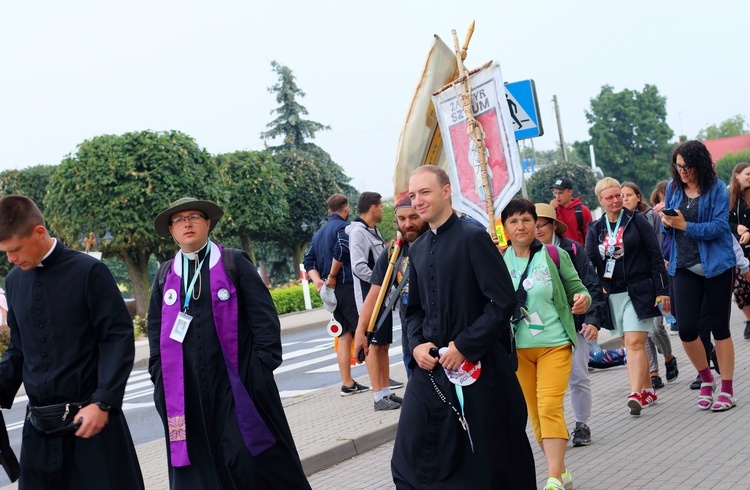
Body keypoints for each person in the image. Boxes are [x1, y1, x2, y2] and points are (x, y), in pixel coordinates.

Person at [147, 197, 310, 489]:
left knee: (252, 464)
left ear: (207, 223)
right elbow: (156, 334)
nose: (187, 223)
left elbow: (265, 322)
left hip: (238, 389)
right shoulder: (165, 276)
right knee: (200, 469)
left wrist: (257, 373)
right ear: (171, 230)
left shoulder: (232, 262)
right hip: (187, 397)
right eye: (178, 219)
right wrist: (160, 379)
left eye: (194, 216)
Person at [391, 166, 536, 489]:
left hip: (480, 368)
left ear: (446, 192)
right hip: (432, 368)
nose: (418, 201)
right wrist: (415, 345)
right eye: (413, 195)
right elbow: (412, 310)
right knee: (411, 454)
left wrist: (464, 346)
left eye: (425, 192)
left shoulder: (473, 238)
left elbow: (502, 302)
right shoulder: (417, 248)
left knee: (493, 456)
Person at [0, 195, 145, 488]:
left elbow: (117, 339)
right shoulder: (14, 282)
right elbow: (19, 349)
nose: (11, 259)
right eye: (5, 252)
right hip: (38, 431)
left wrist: (103, 402)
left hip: (91, 425)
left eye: (15, 249)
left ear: (39, 232)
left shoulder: (90, 272)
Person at [503, 198, 590, 490]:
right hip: (519, 352)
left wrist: (583, 300)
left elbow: (579, 289)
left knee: (550, 406)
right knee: (535, 414)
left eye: (527, 220)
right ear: (504, 228)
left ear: (536, 224)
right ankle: (561, 469)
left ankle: (552, 477)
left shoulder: (554, 255)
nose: (521, 226)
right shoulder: (498, 261)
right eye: (513, 221)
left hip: (555, 344)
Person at [661, 140, 737, 412]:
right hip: (684, 267)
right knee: (686, 329)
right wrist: (668, 223)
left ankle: (726, 388)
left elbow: (719, 227)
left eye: (687, 167)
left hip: (717, 266)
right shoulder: (672, 189)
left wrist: (685, 225)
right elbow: (671, 229)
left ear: (700, 165)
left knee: (720, 328)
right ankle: (707, 378)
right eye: (678, 166)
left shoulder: (717, 189)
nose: (681, 171)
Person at [586, 178, 670, 416]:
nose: (616, 200)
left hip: (639, 290)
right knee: (630, 344)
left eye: (618, 196)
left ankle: (635, 394)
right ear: (600, 200)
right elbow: (590, 262)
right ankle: (647, 389)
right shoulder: (595, 228)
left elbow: (655, 255)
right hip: (613, 294)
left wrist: (662, 290)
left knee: (634, 343)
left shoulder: (637, 221)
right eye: (610, 197)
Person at [534, 202, 605, 448]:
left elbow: (591, 285)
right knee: (547, 385)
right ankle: (555, 426)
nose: (535, 230)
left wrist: (592, 320)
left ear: (553, 225)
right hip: (540, 328)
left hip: (575, 324)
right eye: (531, 224)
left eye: (540, 224)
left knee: (578, 376)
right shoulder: (522, 253)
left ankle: (582, 424)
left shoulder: (572, 249)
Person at [354, 192, 428, 397]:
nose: (408, 224)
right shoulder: (392, 253)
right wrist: (361, 332)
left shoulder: (437, 243)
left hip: (442, 341)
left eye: (414, 217)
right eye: (402, 219)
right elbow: (375, 293)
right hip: (411, 342)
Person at [303, 194, 369, 396]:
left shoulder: (318, 233)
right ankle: (379, 378)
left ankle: (347, 383)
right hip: (346, 286)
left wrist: (318, 281)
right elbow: (341, 249)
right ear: (346, 209)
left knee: (344, 336)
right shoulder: (344, 228)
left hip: (332, 291)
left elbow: (308, 261)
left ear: (329, 210)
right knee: (364, 331)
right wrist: (332, 275)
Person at [347, 192, 403, 411]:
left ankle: (387, 391)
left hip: (383, 297)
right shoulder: (358, 233)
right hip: (371, 297)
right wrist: (380, 280)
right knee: (373, 346)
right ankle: (378, 396)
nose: (382, 210)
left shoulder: (373, 231)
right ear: (372, 208)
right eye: (380, 206)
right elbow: (358, 265)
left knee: (384, 345)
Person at [621, 182, 678, 388]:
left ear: (638, 196)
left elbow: (658, 245)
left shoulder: (650, 217)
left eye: (628, 195)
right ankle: (653, 372)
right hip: (633, 284)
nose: (624, 198)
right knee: (641, 333)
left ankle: (669, 357)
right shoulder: (617, 222)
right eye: (622, 195)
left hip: (654, 277)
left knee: (655, 330)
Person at [728, 162, 750, 339]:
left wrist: (749, 231)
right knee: (740, 289)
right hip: (736, 248)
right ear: (737, 175)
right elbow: (723, 222)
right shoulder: (728, 196)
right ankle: (749, 320)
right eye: (747, 174)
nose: (749, 177)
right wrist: (737, 228)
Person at [550, 176, 593, 246]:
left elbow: (590, 237)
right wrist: (550, 210)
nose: (557, 196)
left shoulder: (583, 210)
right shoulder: (553, 210)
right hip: (559, 253)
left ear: (570, 192)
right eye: (555, 193)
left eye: (561, 193)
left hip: (578, 253)